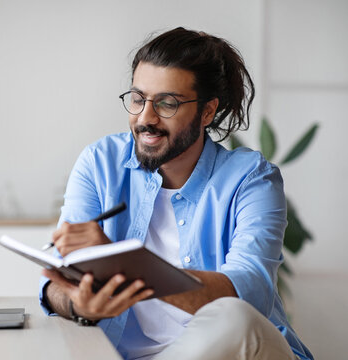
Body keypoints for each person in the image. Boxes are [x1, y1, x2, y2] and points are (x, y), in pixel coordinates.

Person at [38, 27, 313, 360]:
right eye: (138, 99)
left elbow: (246, 293)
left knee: (234, 317)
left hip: (241, 349)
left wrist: (121, 264)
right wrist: (79, 304)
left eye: (167, 104)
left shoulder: (251, 179)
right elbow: (56, 285)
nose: (145, 118)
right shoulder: (100, 163)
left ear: (207, 112)